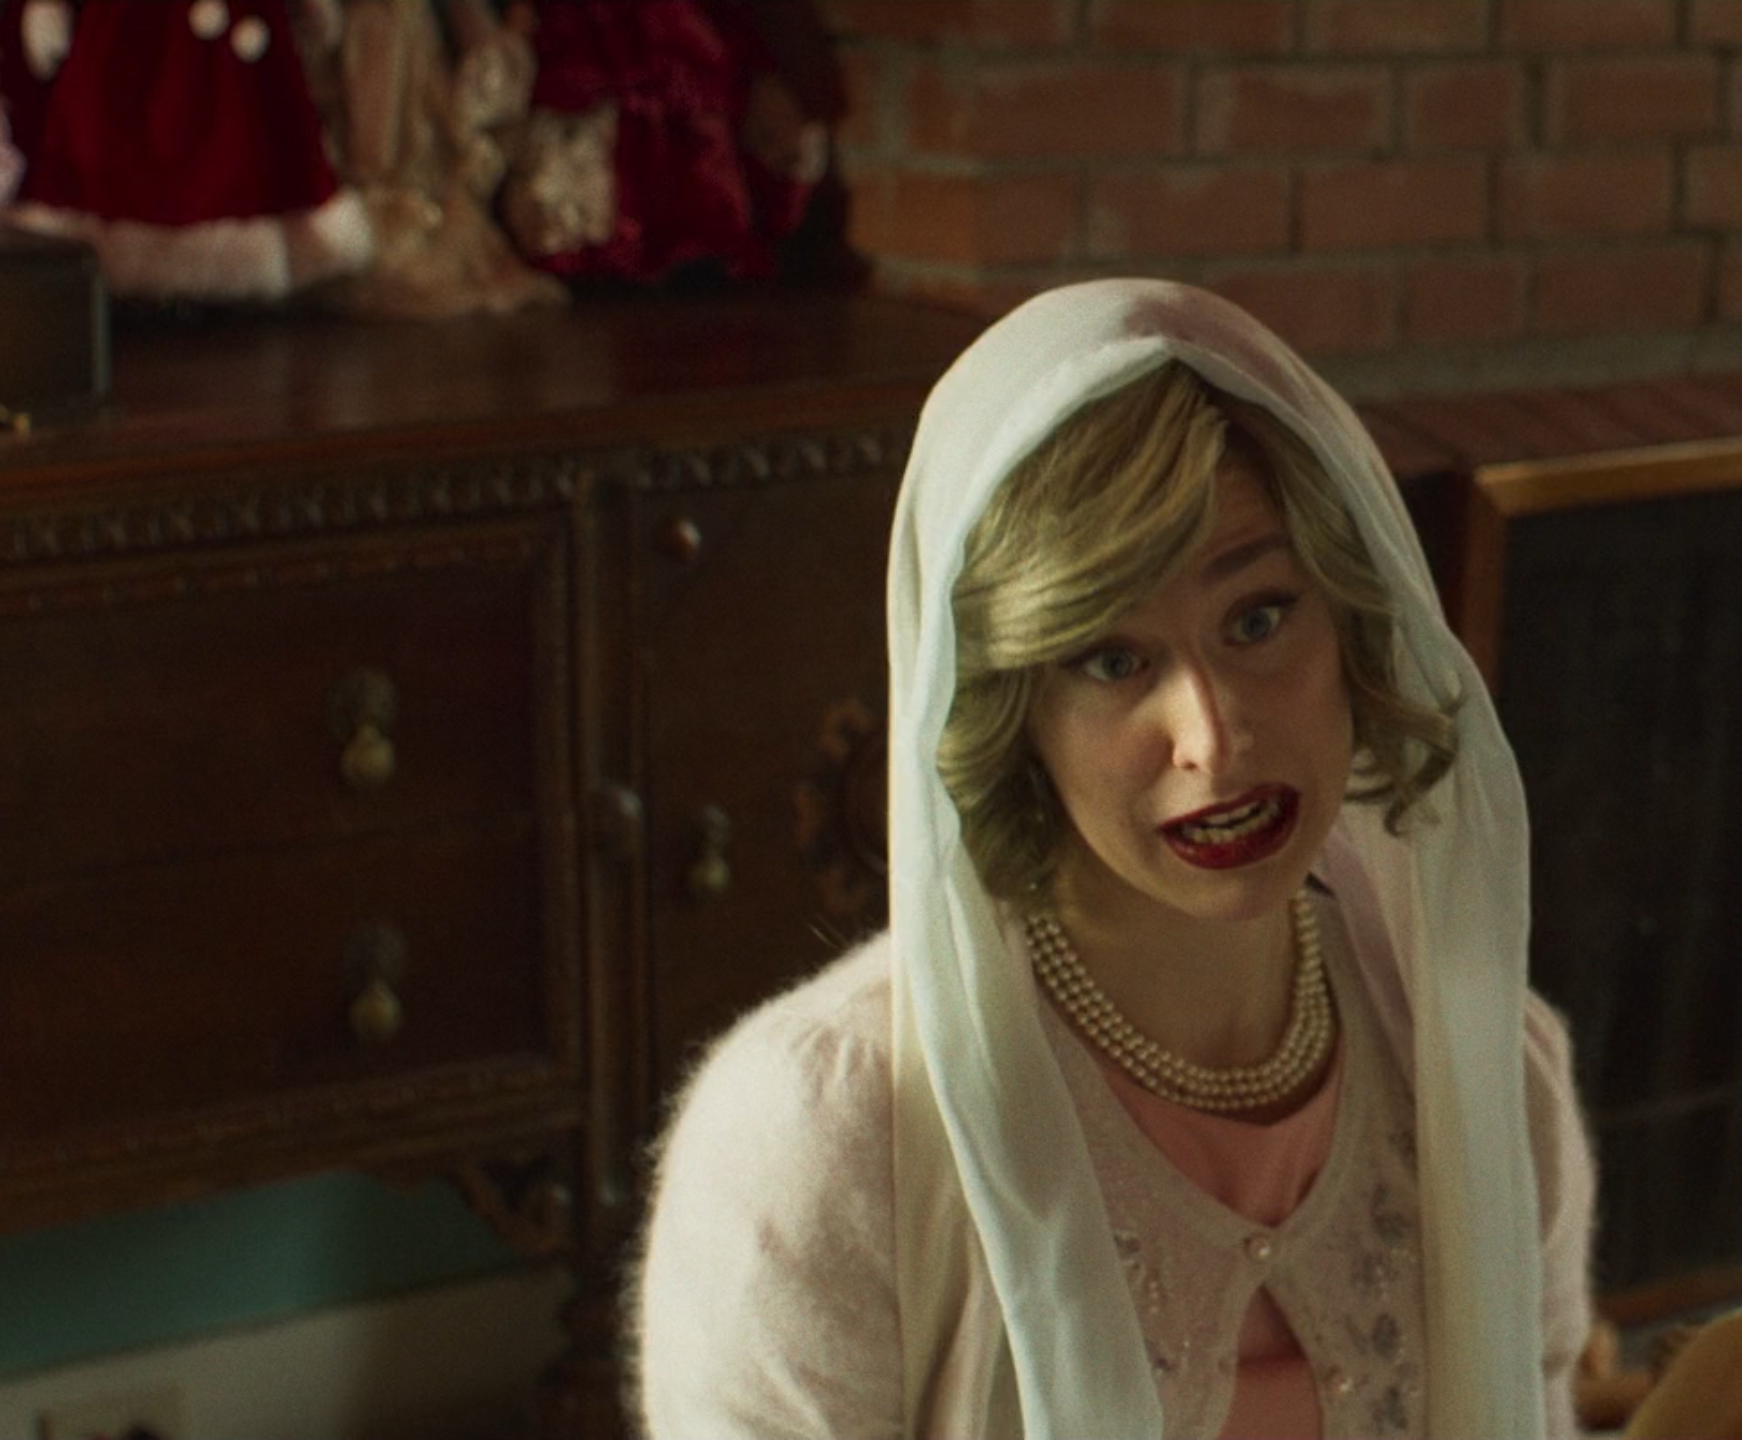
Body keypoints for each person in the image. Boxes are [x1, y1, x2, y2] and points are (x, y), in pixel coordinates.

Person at [632, 278, 1596, 1437]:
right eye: (1112, 661)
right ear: (1010, 709)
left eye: (1258, 618)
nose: (1214, 738)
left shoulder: (1493, 1074)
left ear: (1354, 617)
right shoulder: (823, 1139)